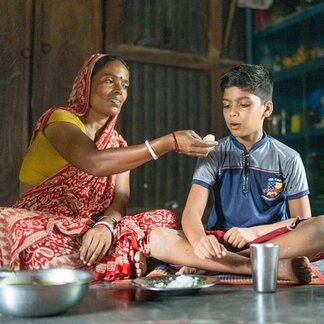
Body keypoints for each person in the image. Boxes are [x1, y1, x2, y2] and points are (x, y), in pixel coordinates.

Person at [0, 53, 216, 281]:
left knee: (163, 218)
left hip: (88, 233)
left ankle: (117, 256)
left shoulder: (118, 145)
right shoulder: (59, 120)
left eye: (124, 84)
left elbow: (119, 201)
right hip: (40, 228)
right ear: (86, 85)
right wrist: (167, 143)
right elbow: (93, 161)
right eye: (109, 80)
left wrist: (106, 225)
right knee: (5, 222)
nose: (118, 91)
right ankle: (128, 255)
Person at [172, 63, 324, 279]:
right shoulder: (214, 153)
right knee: (159, 237)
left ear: (267, 109)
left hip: (271, 243)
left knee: (322, 227)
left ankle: (214, 265)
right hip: (220, 244)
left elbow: (302, 220)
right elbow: (191, 214)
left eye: (244, 104)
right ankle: (246, 264)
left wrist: (254, 233)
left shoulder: (288, 158)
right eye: (226, 105)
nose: (233, 113)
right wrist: (200, 243)